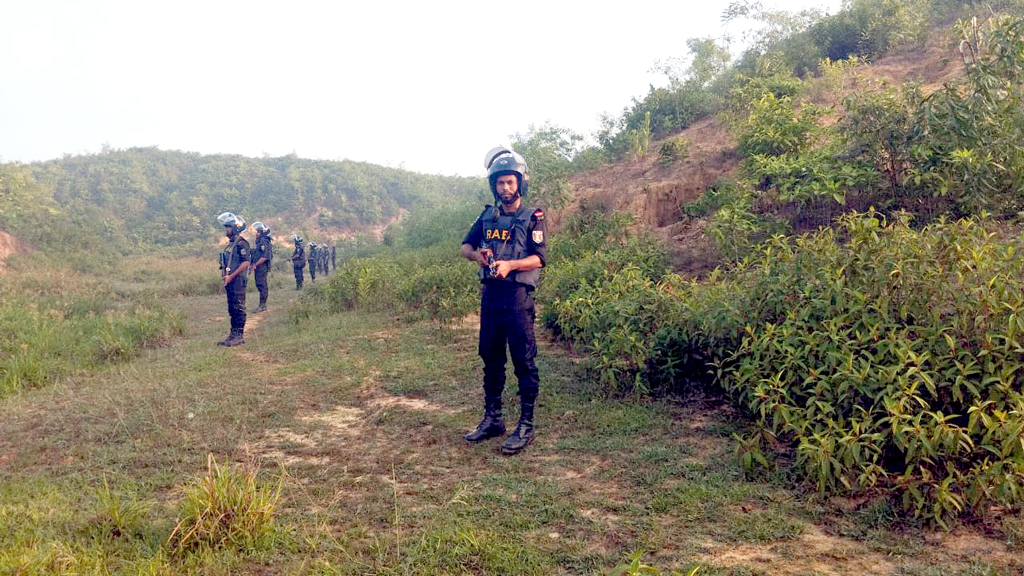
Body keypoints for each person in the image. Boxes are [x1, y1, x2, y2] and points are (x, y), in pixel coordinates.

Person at [460, 148, 547, 455]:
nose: (505, 188)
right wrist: (478, 256)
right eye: (500, 184)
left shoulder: (532, 217)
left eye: (510, 182)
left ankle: (526, 424)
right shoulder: (486, 216)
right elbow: (465, 246)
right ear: (494, 186)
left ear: (519, 183)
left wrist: (511, 265)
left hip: (517, 298)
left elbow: (539, 258)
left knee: (523, 360)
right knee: (491, 358)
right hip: (491, 298)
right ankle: (493, 419)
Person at [217, 212, 250, 347]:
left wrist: (231, 275)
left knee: (238, 307)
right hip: (230, 280)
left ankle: (239, 335)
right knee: (232, 308)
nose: (227, 230)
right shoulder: (231, 244)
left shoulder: (242, 243)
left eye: (229, 227)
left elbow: (245, 263)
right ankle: (233, 334)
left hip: (237, 281)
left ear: (236, 227)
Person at [250, 222, 273, 312]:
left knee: (262, 285)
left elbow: (264, 257)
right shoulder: (260, 242)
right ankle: (262, 305)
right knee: (260, 284)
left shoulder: (264, 242)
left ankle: (262, 305)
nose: (256, 234)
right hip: (259, 267)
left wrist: (255, 265)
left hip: (262, 267)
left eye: (258, 232)